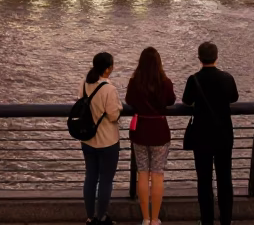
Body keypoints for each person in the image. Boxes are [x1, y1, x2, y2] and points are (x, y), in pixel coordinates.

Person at [182, 42, 238, 225]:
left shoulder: (194, 79)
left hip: (202, 135)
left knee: (204, 180)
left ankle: (206, 220)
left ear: (199, 58)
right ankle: (226, 220)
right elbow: (234, 98)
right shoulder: (227, 78)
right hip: (223, 135)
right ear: (217, 57)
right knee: (224, 178)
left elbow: (186, 101)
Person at [125, 47, 176, 225]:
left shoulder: (135, 82)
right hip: (160, 132)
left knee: (143, 173)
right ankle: (155, 219)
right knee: (157, 175)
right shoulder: (165, 82)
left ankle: (145, 218)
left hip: (140, 131)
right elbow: (171, 100)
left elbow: (129, 100)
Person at [79, 52, 121, 225]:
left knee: (90, 176)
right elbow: (113, 115)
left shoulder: (84, 84)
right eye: (112, 65)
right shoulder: (108, 89)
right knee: (105, 180)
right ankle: (102, 217)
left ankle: (90, 217)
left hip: (88, 139)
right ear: (107, 69)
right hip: (107, 141)